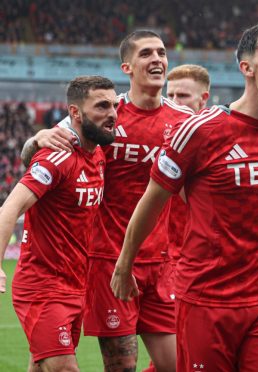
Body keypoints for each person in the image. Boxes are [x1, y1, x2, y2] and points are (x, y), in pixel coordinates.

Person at [110, 19, 258, 371]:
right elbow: (152, 201)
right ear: (246, 67)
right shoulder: (201, 130)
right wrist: (124, 264)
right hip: (205, 300)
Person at [21, 30, 195, 371]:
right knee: (121, 368)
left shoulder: (183, 122)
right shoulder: (107, 115)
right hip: (109, 261)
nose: (157, 59)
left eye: (161, 52)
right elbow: (42, 152)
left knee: (179, 365)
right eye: (146, 54)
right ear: (127, 67)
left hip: (161, 264)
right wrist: (36, 138)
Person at [0, 76, 116, 371]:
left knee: (40, 366)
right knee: (65, 367)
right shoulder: (57, 156)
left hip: (76, 284)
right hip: (42, 287)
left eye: (114, 105)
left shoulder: (98, 153)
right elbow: (10, 207)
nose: (112, 113)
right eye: (102, 106)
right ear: (75, 113)